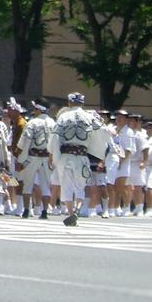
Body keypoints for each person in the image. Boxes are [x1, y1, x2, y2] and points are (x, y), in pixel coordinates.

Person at [54, 93, 107, 226]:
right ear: (82, 103)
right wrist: (98, 152)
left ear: (69, 103)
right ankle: (77, 209)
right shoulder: (89, 117)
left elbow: (55, 136)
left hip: (65, 154)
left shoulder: (63, 117)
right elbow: (102, 131)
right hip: (82, 154)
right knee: (80, 185)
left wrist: (53, 154)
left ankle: (70, 212)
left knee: (66, 185)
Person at [15, 101, 55, 218]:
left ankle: (26, 210)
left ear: (38, 110)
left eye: (35, 109)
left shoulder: (32, 123)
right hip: (47, 157)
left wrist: (19, 156)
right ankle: (45, 211)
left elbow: (23, 142)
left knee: (27, 184)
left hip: (32, 157)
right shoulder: (53, 123)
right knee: (46, 185)